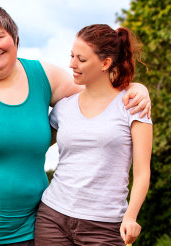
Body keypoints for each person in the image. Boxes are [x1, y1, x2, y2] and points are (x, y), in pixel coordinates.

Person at [0, 5, 151, 246]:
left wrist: (135, 88)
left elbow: (99, 90)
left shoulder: (44, 76)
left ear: (14, 38)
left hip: (29, 228)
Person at [35, 24, 153, 246]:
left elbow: (142, 171)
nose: (71, 64)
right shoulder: (63, 107)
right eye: (71, 56)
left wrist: (131, 216)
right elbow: (34, 147)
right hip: (52, 218)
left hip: (104, 227)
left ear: (105, 63)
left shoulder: (133, 107)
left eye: (81, 59)